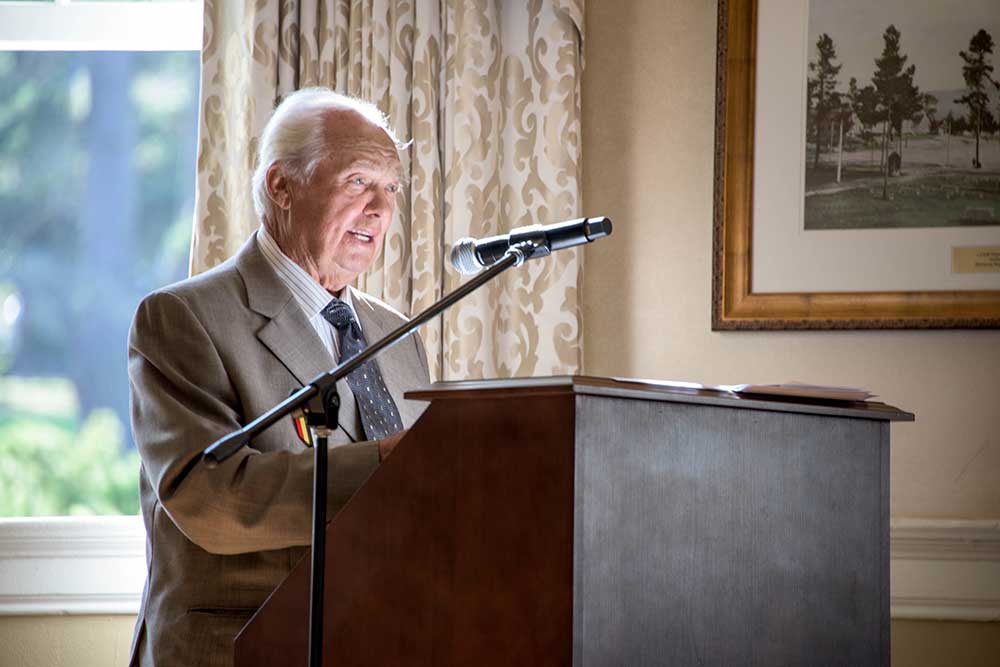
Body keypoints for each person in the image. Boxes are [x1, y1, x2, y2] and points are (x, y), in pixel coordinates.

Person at [127, 88, 430, 667]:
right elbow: (209, 497)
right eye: (358, 181)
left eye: (391, 188)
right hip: (242, 650)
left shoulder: (399, 334)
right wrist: (386, 466)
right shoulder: (182, 318)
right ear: (281, 187)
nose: (380, 208)